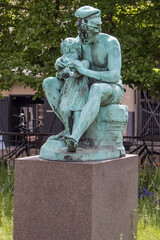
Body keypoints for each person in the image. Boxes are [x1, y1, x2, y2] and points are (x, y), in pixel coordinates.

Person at [63, 6, 124, 151]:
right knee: (50, 83)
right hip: (85, 85)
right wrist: (64, 66)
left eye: (86, 32)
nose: (82, 36)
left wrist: (85, 71)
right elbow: (72, 64)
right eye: (81, 31)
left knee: (96, 89)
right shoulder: (78, 41)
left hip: (111, 88)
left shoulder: (110, 42)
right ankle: (65, 131)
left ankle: (75, 137)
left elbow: (114, 75)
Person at [43, 37, 89, 139]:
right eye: (66, 51)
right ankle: (67, 131)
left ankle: (74, 138)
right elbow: (59, 75)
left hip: (79, 94)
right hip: (68, 93)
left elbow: (79, 73)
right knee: (64, 110)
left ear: (79, 52)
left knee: (78, 116)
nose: (69, 54)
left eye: (72, 51)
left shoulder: (83, 62)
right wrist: (59, 66)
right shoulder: (65, 63)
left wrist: (70, 73)